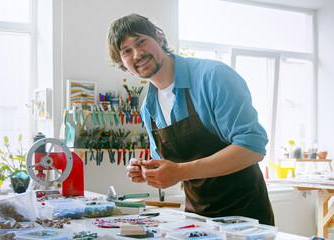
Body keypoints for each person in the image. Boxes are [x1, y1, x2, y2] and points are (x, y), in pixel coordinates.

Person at [106, 13, 274, 225]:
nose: (137, 54)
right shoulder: (148, 108)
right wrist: (146, 170)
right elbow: (167, 167)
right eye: (127, 51)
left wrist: (180, 171)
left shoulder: (213, 76)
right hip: (197, 219)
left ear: (159, 38)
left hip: (245, 217)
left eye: (141, 42)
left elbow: (253, 147)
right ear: (122, 61)